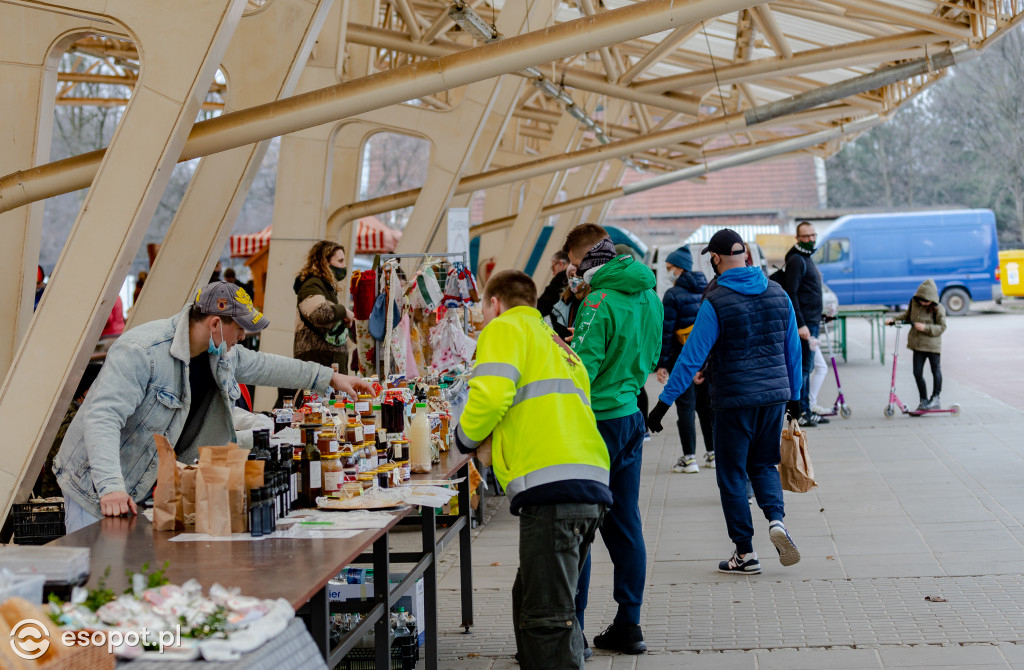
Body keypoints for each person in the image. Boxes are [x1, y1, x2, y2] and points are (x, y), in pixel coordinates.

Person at [53, 281, 372, 533]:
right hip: (96, 490)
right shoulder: (142, 352)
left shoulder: (220, 351)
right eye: (240, 328)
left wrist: (330, 377)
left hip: (143, 488)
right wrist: (110, 488)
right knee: (97, 584)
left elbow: (264, 366)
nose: (244, 336)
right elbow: (103, 418)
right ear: (216, 323)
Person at [454, 270, 612, 669]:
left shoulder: (505, 329)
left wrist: (461, 444)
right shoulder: (557, 342)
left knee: (546, 616)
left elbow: (490, 396)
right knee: (533, 597)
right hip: (589, 480)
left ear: (495, 304)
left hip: (552, 488)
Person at [647, 229, 803, 576]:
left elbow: (690, 357)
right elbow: (793, 352)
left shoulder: (716, 301)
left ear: (715, 259)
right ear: (745, 253)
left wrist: (662, 405)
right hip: (774, 396)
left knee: (732, 474)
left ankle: (745, 553)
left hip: (734, 399)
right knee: (764, 464)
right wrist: (797, 398)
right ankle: (776, 520)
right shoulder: (778, 293)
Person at [564, 223, 662, 655]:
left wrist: (563, 350)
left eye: (570, 265)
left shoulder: (597, 300)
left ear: (585, 259)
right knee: (626, 524)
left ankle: (574, 632)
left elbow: (580, 373)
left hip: (596, 423)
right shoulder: (649, 297)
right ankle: (630, 623)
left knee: (578, 525)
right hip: (630, 415)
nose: (570, 273)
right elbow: (650, 353)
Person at [654, 246, 708, 474]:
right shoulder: (707, 290)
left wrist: (662, 363)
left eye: (669, 268)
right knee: (707, 409)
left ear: (679, 268)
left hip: (681, 360)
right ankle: (713, 454)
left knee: (685, 408)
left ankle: (689, 458)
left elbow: (666, 333)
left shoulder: (673, 295)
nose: (668, 272)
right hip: (705, 360)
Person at [780, 221, 828, 427]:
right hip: (805, 325)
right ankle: (801, 412)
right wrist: (800, 324)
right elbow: (791, 293)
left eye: (813, 236)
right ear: (797, 238)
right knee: (804, 368)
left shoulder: (806, 258)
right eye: (806, 237)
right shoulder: (797, 260)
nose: (811, 240)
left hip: (812, 322)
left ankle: (807, 409)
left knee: (810, 366)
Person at [886, 279, 947, 410]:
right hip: (918, 344)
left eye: (926, 301)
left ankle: (935, 398)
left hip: (932, 344)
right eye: (921, 300)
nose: (923, 303)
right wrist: (893, 320)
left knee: (935, 369)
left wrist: (925, 327)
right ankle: (923, 400)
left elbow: (941, 327)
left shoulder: (938, 308)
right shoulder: (914, 303)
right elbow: (907, 315)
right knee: (917, 372)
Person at [292, 241, 353, 370]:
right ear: (325, 262)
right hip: (319, 363)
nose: (344, 266)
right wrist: (344, 311)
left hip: (326, 363)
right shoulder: (312, 285)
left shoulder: (326, 287)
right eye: (340, 261)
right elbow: (319, 313)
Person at [537, 251, 570, 318]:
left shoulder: (560, 279)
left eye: (553, 268)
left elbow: (543, 305)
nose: (553, 273)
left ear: (561, 264)